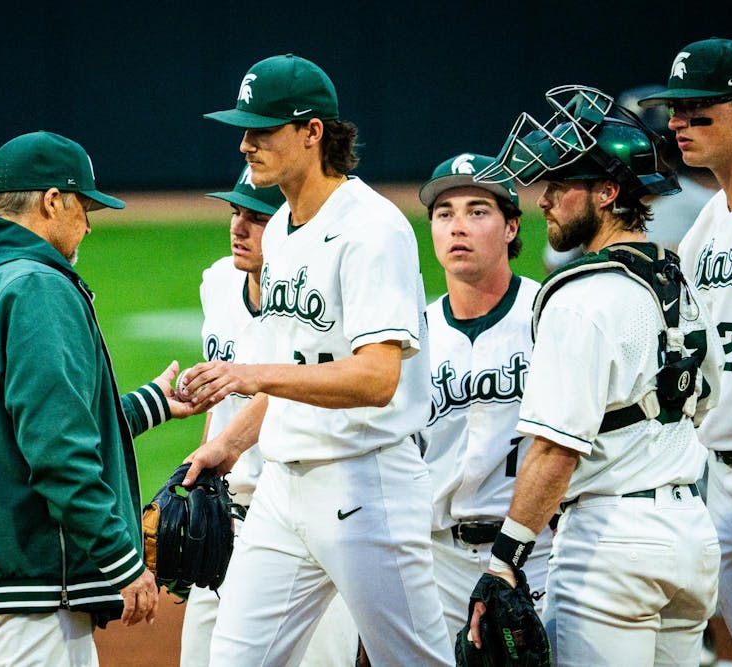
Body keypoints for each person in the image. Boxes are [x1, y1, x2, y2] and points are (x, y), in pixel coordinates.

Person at [179, 53, 453, 666]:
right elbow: (293, 374)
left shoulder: (372, 228)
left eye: (263, 129)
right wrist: (228, 445)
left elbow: (378, 377)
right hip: (283, 486)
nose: (246, 143)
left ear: (312, 132)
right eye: (244, 129)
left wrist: (253, 374)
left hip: (366, 483)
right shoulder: (279, 232)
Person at [0, 130, 204, 666]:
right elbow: (56, 450)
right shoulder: (36, 285)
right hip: (32, 579)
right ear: (52, 200)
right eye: (85, 206)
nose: (89, 224)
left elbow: (10, 429)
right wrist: (123, 561)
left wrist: (153, 403)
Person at [467, 85, 724, 665]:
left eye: (561, 185)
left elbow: (554, 450)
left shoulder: (580, 298)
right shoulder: (676, 280)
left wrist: (504, 562)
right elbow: (705, 400)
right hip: (691, 538)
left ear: (607, 193)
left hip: (611, 548)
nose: (544, 200)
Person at [179, 164, 360, 666]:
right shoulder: (217, 282)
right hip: (225, 521)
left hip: (302, 521)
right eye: (236, 212)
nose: (238, 227)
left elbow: (297, 384)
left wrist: (231, 443)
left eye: (256, 217)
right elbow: (221, 404)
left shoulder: (318, 296)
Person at [640, 36, 732, 664]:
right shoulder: (707, 223)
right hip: (719, 481)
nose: (679, 122)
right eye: (675, 109)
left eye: (699, 108)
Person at [416, 152, 551, 640]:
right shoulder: (413, 333)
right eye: (444, 214)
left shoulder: (548, 314)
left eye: (478, 211)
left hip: (539, 551)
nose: (458, 227)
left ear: (512, 228)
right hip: (436, 558)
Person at [543, 84, 717, 272]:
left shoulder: (704, 206)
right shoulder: (598, 205)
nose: (632, 152)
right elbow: (555, 263)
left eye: (642, 145)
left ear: (668, 147)